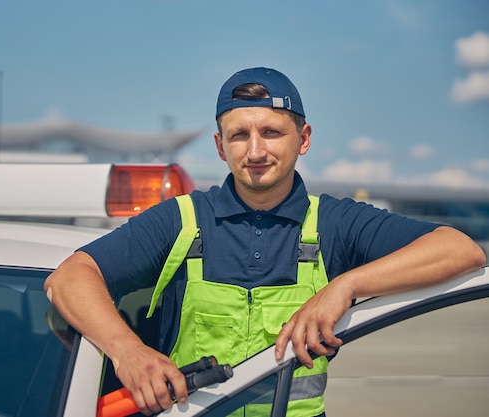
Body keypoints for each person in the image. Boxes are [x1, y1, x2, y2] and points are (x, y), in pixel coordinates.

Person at [44, 67, 486, 417]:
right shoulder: (181, 219)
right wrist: (128, 352)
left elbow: (460, 249)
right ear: (220, 146)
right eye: (239, 135)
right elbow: (69, 278)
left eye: (271, 132)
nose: (255, 151)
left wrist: (345, 286)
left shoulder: (332, 222)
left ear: (304, 139)